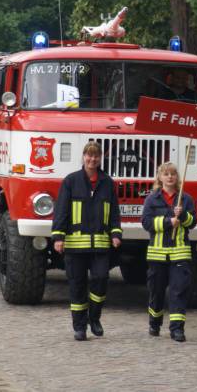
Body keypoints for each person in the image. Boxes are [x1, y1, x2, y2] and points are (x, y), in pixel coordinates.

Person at [51, 141, 122, 341]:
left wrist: (116, 234)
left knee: (101, 279)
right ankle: (79, 327)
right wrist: (58, 236)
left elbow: (114, 212)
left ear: (100, 158)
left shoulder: (107, 183)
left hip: (100, 245)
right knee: (77, 286)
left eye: (96, 156)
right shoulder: (71, 181)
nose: (92, 159)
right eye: (89, 155)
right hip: (75, 247)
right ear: (83, 157)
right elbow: (61, 210)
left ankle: (95, 317)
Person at [141, 162, 197, 342]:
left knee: (178, 291)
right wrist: (168, 222)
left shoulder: (185, 199)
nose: (170, 177)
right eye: (166, 174)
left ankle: (177, 329)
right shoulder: (152, 199)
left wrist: (183, 216)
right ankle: (155, 322)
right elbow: (146, 223)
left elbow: (193, 223)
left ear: (177, 177)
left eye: (173, 173)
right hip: (157, 254)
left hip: (180, 253)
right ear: (160, 177)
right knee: (156, 291)